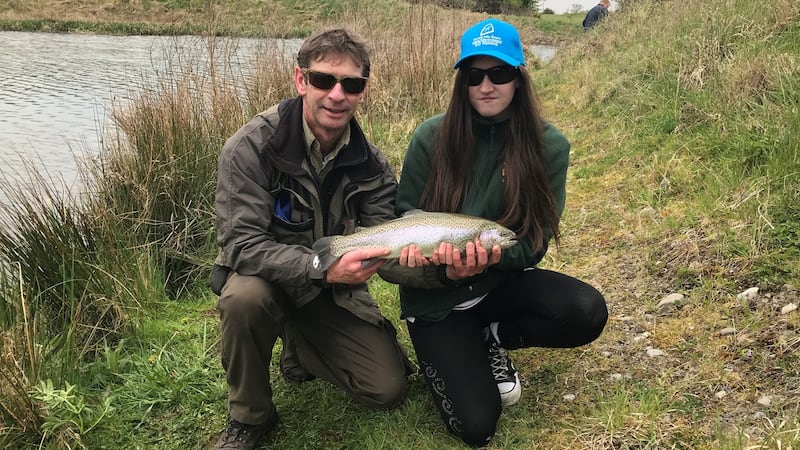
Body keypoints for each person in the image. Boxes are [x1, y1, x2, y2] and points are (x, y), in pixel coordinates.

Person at [379, 18, 608, 447]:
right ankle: (461, 345)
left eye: (500, 73)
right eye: (474, 74)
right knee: (478, 426)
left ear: (519, 78)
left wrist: (494, 257)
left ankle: (493, 338)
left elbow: (535, 239)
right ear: (462, 81)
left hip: (499, 286)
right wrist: (446, 274)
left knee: (586, 310)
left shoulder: (549, 145)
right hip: (436, 299)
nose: (487, 85)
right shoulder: (429, 137)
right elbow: (401, 228)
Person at [211, 28, 410, 450]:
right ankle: (251, 416)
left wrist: (438, 265)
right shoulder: (250, 147)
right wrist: (321, 268)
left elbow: (388, 251)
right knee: (243, 298)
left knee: (387, 389)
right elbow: (241, 245)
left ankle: (299, 342)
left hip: (333, 292)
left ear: (362, 91)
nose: (337, 94)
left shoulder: (371, 164)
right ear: (301, 81)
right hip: (266, 280)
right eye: (324, 80)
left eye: (351, 84)